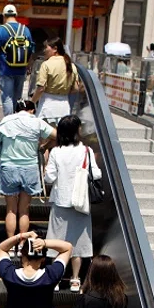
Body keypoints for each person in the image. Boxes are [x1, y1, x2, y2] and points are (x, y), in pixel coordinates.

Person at [44, 116, 101, 292]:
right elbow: (96, 174)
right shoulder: (86, 151)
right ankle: (75, 279)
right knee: (78, 241)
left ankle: (56, 278)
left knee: (56, 240)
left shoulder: (56, 152)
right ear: (77, 131)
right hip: (81, 201)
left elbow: (49, 178)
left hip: (61, 202)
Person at [0, 99, 55, 241]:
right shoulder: (37, 122)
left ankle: (10, 242)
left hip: (8, 167)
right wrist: (45, 146)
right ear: (32, 110)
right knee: (24, 210)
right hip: (30, 168)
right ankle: (22, 244)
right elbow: (58, 135)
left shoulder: (6, 121)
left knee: (11, 209)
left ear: (16, 110)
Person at [0, 4, 35, 117]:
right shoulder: (25, 29)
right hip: (21, 69)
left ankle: (9, 121)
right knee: (17, 97)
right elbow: (31, 49)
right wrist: (28, 66)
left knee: (7, 97)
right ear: (16, 14)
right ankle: (17, 119)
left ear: (4, 16)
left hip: (6, 69)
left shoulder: (1, 30)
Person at [30, 37, 79, 122]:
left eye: (46, 47)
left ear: (55, 49)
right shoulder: (71, 65)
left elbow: (41, 88)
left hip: (48, 105)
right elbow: (75, 88)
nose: (44, 50)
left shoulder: (46, 64)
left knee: (45, 133)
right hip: (64, 106)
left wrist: (32, 102)